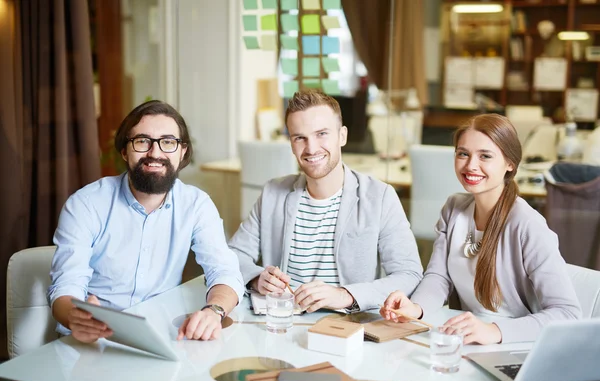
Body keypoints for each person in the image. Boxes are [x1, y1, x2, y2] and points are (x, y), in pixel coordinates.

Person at [47, 100, 244, 343]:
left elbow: (225, 271)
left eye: (168, 142)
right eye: (142, 141)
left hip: (156, 338)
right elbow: (65, 287)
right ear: (124, 151)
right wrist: (75, 317)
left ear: (182, 152)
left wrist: (214, 311)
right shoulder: (86, 204)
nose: (155, 153)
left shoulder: (196, 205)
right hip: (90, 340)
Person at [380, 113, 581, 344]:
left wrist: (493, 331)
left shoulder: (528, 225)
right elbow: (439, 276)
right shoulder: (454, 208)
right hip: (466, 340)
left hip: (517, 345)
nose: (470, 165)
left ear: (510, 163)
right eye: (463, 154)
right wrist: (415, 308)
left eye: (485, 156)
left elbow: (566, 313)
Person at [228, 89, 422, 313]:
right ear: (291, 143)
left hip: (347, 328)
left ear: (342, 136)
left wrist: (345, 295)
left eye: (321, 134)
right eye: (300, 137)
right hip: (282, 323)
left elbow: (409, 274)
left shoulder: (379, 197)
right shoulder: (273, 193)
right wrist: (256, 279)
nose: (311, 148)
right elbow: (233, 256)